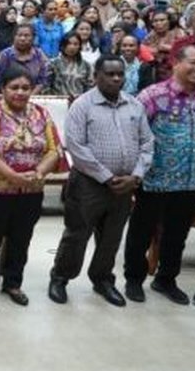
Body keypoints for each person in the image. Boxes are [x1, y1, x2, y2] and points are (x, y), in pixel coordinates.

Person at [48, 55, 153, 307]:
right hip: (89, 183)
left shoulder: (134, 105)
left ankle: (102, 279)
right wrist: (106, 177)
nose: (116, 78)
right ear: (96, 76)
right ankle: (61, 277)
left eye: (120, 74)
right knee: (77, 234)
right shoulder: (82, 105)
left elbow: (147, 142)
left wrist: (136, 175)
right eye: (110, 74)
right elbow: (76, 145)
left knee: (111, 237)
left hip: (125, 185)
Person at [123, 45, 195, 305]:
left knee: (177, 235)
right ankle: (133, 278)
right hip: (155, 179)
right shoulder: (151, 96)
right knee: (141, 232)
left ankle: (166, 279)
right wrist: (135, 173)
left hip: (192, 180)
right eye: (194, 62)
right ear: (176, 62)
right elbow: (135, 136)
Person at [0, 65, 68, 306]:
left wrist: (39, 171)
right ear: (2, 89)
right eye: (14, 87)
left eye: (25, 88)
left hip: (31, 190)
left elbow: (54, 149)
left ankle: (13, 282)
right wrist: (13, 176)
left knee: (21, 238)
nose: (20, 92)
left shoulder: (41, 114)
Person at [0, 24, 50, 92]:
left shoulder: (39, 55)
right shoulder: (5, 55)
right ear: (14, 37)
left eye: (26, 35)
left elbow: (43, 81)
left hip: (33, 95)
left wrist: (29, 96)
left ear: (33, 38)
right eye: (19, 35)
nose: (22, 38)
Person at [48, 32, 94, 100]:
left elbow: (90, 86)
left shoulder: (86, 66)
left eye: (75, 44)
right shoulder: (53, 64)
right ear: (62, 45)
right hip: (58, 102)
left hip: (80, 102)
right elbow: (47, 85)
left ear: (79, 46)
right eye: (69, 44)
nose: (72, 47)